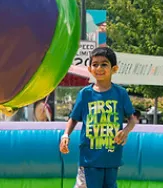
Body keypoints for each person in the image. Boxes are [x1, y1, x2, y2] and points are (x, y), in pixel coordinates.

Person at [59, 47, 138, 188]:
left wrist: (125, 132)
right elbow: (74, 118)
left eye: (104, 64)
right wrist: (65, 135)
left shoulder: (120, 93)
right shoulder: (85, 94)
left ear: (114, 69)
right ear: (89, 69)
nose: (99, 68)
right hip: (89, 158)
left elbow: (132, 119)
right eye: (95, 64)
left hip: (112, 157)